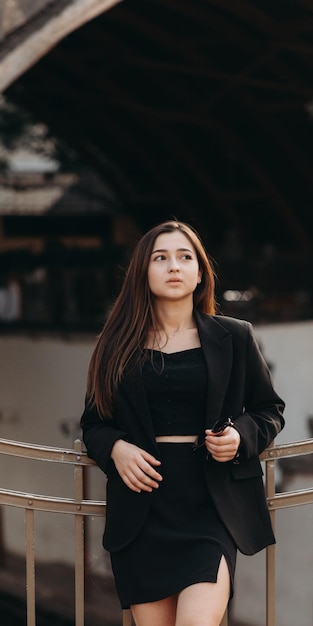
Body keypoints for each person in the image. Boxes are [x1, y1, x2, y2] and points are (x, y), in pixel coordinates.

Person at [80, 220, 285, 626]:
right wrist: (117, 449)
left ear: (199, 272)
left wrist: (240, 437)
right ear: (143, 271)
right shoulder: (114, 345)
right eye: (161, 257)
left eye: (184, 257)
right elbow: (94, 423)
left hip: (212, 507)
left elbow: (268, 409)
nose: (174, 266)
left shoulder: (235, 336)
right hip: (143, 510)